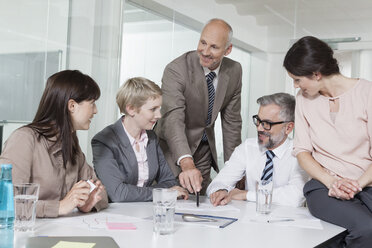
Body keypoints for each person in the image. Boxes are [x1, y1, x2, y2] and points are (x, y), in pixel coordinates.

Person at [284, 36, 372, 247]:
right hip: (324, 186)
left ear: (316, 74)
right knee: (366, 228)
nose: (295, 85)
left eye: (297, 79)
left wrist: (356, 185)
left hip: (366, 183)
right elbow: (302, 152)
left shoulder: (367, 93)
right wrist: (331, 182)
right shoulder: (303, 99)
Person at [0, 70, 108, 218]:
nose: (95, 111)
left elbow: (101, 192)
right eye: (92, 103)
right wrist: (59, 207)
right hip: (26, 236)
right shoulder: (24, 139)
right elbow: (4, 204)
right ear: (72, 106)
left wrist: (88, 203)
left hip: (59, 233)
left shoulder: (72, 145)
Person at [155, 18, 242, 195]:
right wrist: (186, 163)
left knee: (201, 201)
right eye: (203, 42)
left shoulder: (234, 71)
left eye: (214, 47)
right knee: (174, 198)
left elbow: (231, 124)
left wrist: (235, 172)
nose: (205, 51)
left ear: (228, 50)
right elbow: (173, 120)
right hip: (172, 148)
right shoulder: (176, 69)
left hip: (204, 149)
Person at [92, 77, 188, 202]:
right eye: (153, 109)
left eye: (159, 108)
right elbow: (118, 193)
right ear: (131, 109)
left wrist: (137, 192)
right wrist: (163, 193)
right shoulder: (103, 141)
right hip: (115, 215)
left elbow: (169, 182)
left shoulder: (151, 138)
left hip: (146, 211)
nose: (159, 115)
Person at [207, 93, 308, 207]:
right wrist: (220, 191)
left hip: (286, 221)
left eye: (267, 124)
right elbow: (218, 183)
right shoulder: (248, 147)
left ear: (288, 128)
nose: (259, 128)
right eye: (258, 121)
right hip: (250, 219)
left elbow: (296, 197)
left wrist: (246, 195)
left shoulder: (300, 154)